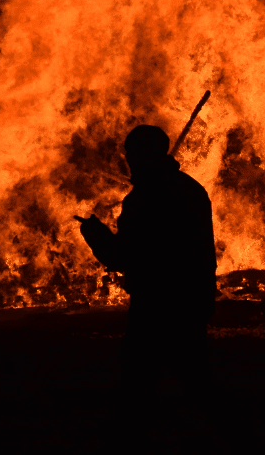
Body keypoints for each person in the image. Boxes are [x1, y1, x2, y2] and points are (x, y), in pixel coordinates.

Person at [76, 125, 216, 380]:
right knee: (195, 377)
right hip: (192, 299)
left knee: (140, 377)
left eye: (132, 152)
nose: (129, 159)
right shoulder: (191, 189)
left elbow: (124, 256)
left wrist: (95, 234)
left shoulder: (144, 198)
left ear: (144, 154)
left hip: (153, 304)